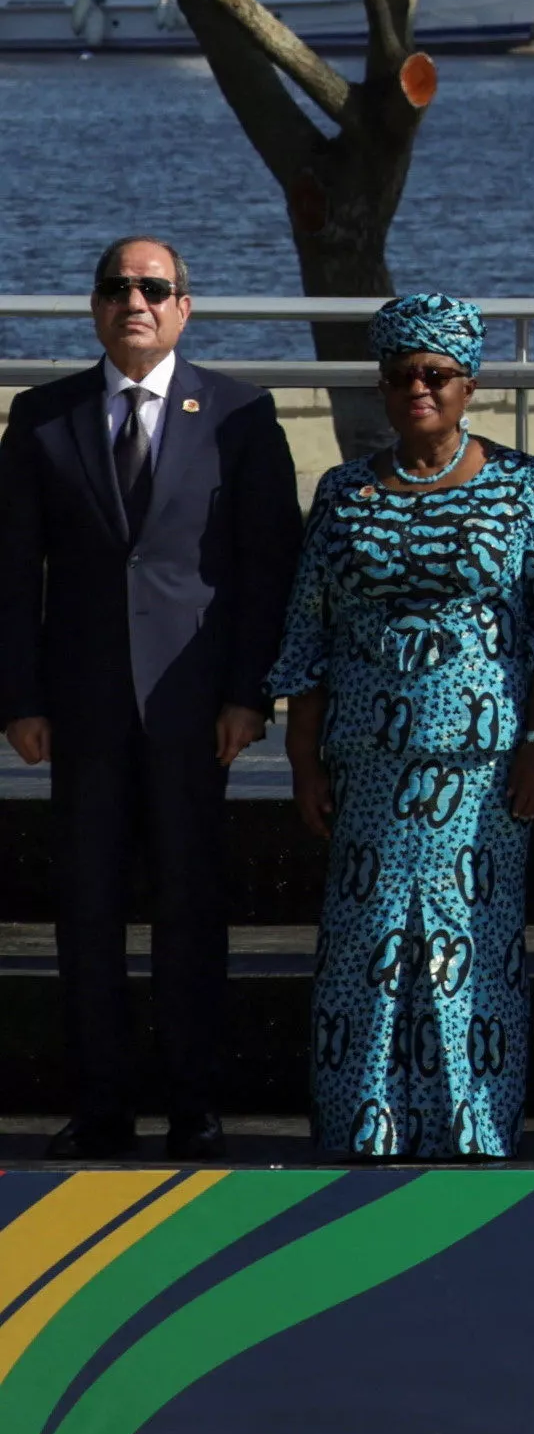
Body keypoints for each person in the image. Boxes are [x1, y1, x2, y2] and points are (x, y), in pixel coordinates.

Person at [266, 295, 534, 1160]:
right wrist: (302, 758)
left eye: (435, 374)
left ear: (469, 383)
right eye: (401, 373)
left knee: (470, 952)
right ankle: (365, 1130)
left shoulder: (525, 487)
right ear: (381, 384)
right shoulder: (344, 492)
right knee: (368, 951)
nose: (418, 387)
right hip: (369, 770)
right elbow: (310, 630)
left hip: (484, 775)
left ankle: (471, 1132)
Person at [0, 235, 300, 1158]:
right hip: (81, 711)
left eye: (152, 286)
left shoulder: (243, 415)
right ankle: (100, 1104)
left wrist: (252, 694)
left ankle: (193, 1101)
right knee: (86, 909)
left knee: (189, 906)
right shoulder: (43, 417)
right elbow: (12, 571)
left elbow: (269, 569)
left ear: (183, 306)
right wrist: (18, 696)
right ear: (95, 308)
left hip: (195, 710)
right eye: (116, 286)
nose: (134, 299)